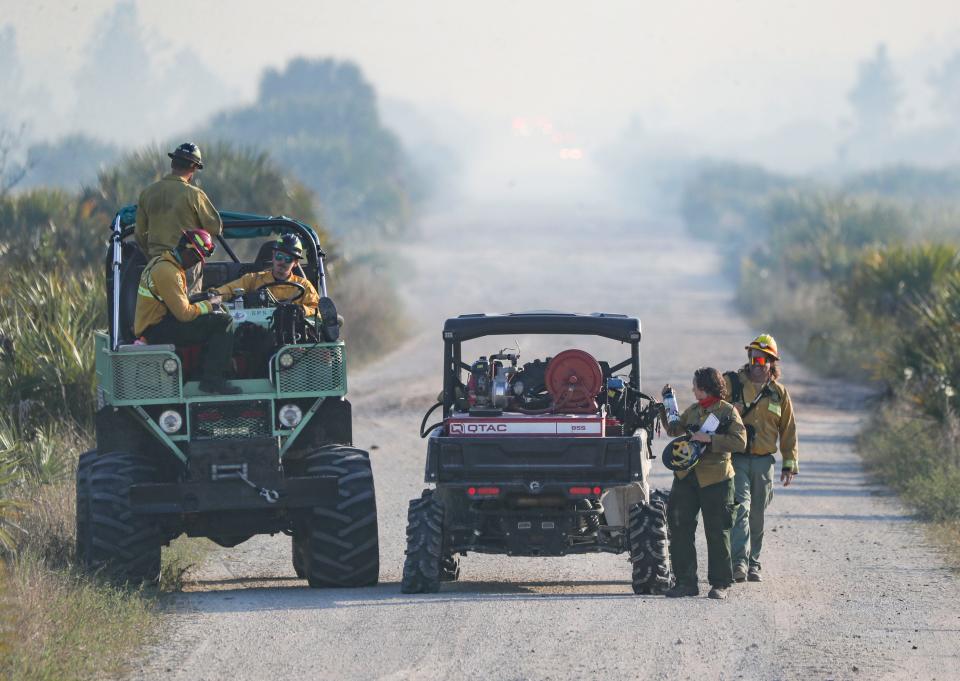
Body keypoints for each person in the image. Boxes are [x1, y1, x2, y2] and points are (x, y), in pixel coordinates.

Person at [661, 367, 747, 600]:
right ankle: (685, 582)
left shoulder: (727, 412)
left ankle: (720, 584)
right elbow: (674, 429)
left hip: (716, 479)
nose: (693, 390)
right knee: (679, 527)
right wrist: (667, 406)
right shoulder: (695, 410)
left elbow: (740, 442)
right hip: (686, 477)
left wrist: (709, 439)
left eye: (696, 386)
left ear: (706, 388)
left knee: (718, 531)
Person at [724, 333, 798, 583]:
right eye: (754, 359)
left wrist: (789, 463)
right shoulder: (733, 384)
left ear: (771, 363)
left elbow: (788, 430)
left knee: (757, 513)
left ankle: (754, 561)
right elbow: (712, 408)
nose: (757, 364)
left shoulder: (779, 394)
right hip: (738, 458)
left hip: (764, 461)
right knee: (740, 509)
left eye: (763, 360)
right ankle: (739, 563)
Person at [134, 229, 239, 395]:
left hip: (159, 324)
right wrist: (210, 305)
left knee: (213, 318)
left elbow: (177, 301)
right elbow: (184, 314)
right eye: (197, 258)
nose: (196, 263)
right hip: (157, 330)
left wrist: (204, 299)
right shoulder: (168, 271)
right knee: (223, 322)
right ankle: (213, 381)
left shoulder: (162, 262)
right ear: (187, 250)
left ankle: (204, 371)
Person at [135, 142, 222, 296]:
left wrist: (153, 257)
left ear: (173, 163)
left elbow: (140, 235)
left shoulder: (147, 193)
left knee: (159, 314)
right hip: (186, 265)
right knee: (187, 311)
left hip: (155, 265)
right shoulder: (194, 194)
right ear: (194, 168)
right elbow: (215, 228)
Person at [214, 235, 322, 317]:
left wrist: (302, 310)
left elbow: (319, 312)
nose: (282, 262)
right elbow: (228, 289)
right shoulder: (253, 279)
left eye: (288, 259)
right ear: (273, 256)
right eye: (279, 256)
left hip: (293, 338)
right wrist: (215, 295)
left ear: (295, 263)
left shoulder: (304, 285)